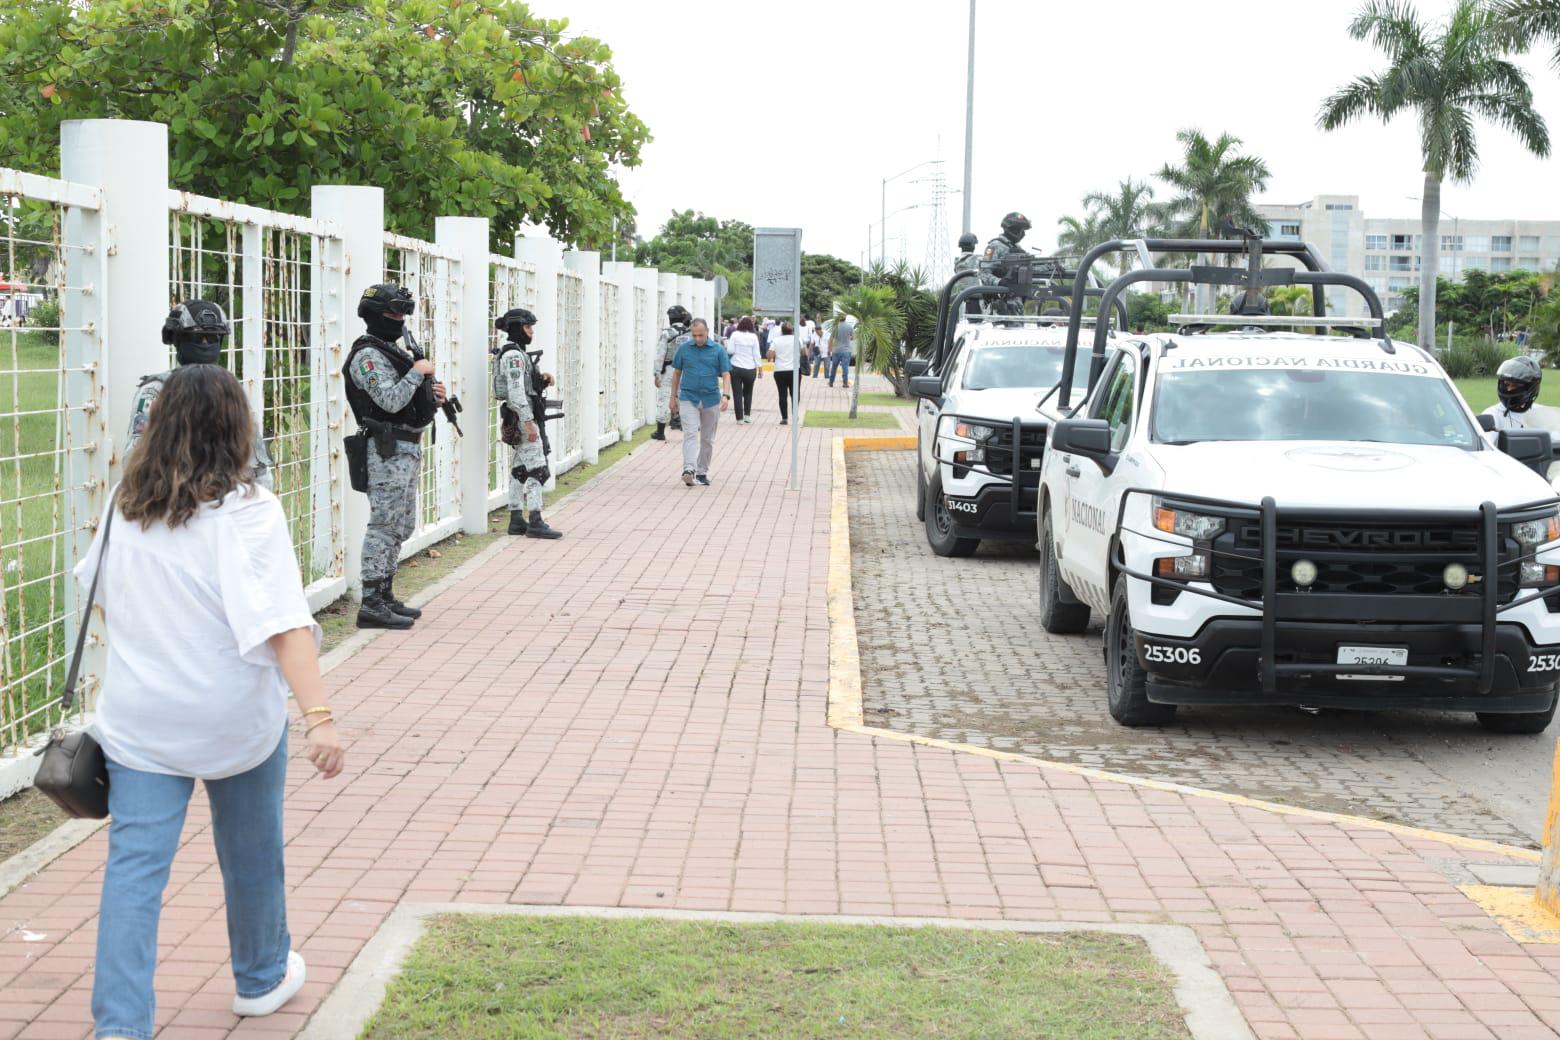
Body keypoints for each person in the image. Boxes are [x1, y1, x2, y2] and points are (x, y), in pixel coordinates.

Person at [80, 364, 343, 1040]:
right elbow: (284, 625)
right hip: (233, 719)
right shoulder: (249, 512)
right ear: (237, 429)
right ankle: (259, 980)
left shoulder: (123, 505)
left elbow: (99, 596)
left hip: (140, 722)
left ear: (158, 425)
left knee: (133, 873)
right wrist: (320, 718)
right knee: (252, 852)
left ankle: (120, 1027)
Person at [342, 283, 444, 630]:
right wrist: (418, 373)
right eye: (393, 314)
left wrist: (433, 393)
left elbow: (410, 396)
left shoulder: (392, 350)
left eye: (403, 314)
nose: (400, 320)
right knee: (383, 526)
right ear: (374, 315)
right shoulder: (367, 356)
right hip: (386, 448)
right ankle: (370, 601)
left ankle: (385, 593)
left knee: (402, 525)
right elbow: (388, 401)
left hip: (407, 446)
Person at [128, 299, 273, 492]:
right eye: (197, 338)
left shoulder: (231, 391)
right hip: (172, 503)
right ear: (178, 340)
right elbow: (135, 460)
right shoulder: (156, 391)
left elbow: (258, 469)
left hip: (227, 504)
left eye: (211, 337)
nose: (205, 343)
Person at [492, 307, 563, 539]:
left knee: (520, 471)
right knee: (538, 470)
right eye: (527, 326)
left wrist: (541, 380)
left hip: (524, 415)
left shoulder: (519, 354)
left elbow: (523, 386)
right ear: (516, 328)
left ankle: (516, 519)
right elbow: (515, 392)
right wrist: (529, 423)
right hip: (523, 417)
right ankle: (535, 519)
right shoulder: (513, 356)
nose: (531, 331)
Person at [666, 319, 733, 486]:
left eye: (700, 335)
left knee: (707, 439)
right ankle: (689, 469)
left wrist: (725, 395)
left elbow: (726, 374)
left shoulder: (718, 350)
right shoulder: (684, 349)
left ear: (707, 332)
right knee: (690, 433)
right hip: (689, 397)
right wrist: (673, 397)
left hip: (711, 399)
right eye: (694, 335)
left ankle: (702, 472)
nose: (697, 338)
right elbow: (676, 374)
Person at [652, 305, 691, 440]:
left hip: (669, 370)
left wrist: (657, 373)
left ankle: (660, 431)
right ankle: (683, 425)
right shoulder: (690, 333)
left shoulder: (667, 333)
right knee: (684, 397)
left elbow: (660, 355)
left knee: (664, 397)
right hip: (686, 370)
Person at [1486, 354, 1543, 431]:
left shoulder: (1542, 414)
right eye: (1507, 384)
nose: (1509, 389)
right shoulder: (1492, 415)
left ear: (1530, 387)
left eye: (1515, 386)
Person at [726, 316, 763, 423]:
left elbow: (730, 350)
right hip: (750, 368)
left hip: (735, 367)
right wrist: (760, 369)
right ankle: (747, 415)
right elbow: (757, 354)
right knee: (748, 392)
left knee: (737, 393)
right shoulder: (754, 336)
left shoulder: (735, 335)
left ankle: (739, 418)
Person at [767, 321, 802, 425]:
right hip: (795, 370)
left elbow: (770, 356)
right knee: (795, 394)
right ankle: (795, 415)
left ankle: (784, 418)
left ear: (781, 330)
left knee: (782, 394)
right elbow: (804, 352)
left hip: (780, 370)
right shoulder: (797, 339)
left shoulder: (776, 341)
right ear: (792, 330)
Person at [827, 315, 855, 388]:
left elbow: (830, 339)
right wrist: (848, 337)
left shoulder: (835, 327)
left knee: (834, 367)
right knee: (845, 367)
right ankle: (845, 383)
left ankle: (831, 382)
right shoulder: (849, 326)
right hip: (846, 350)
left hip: (836, 350)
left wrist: (829, 350)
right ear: (845, 318)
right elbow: (853, 337)